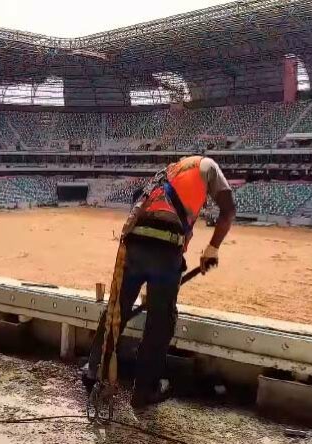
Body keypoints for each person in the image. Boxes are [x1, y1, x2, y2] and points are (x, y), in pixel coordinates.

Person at [83, 155, 236, 409]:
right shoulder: (208, 166)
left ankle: (93, 371)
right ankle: (144, 390)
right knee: (160, 320)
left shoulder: (167, 172)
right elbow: (228, 209)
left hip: (132, 245)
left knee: (115, 311)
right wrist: (212, 249)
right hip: (164, 250)